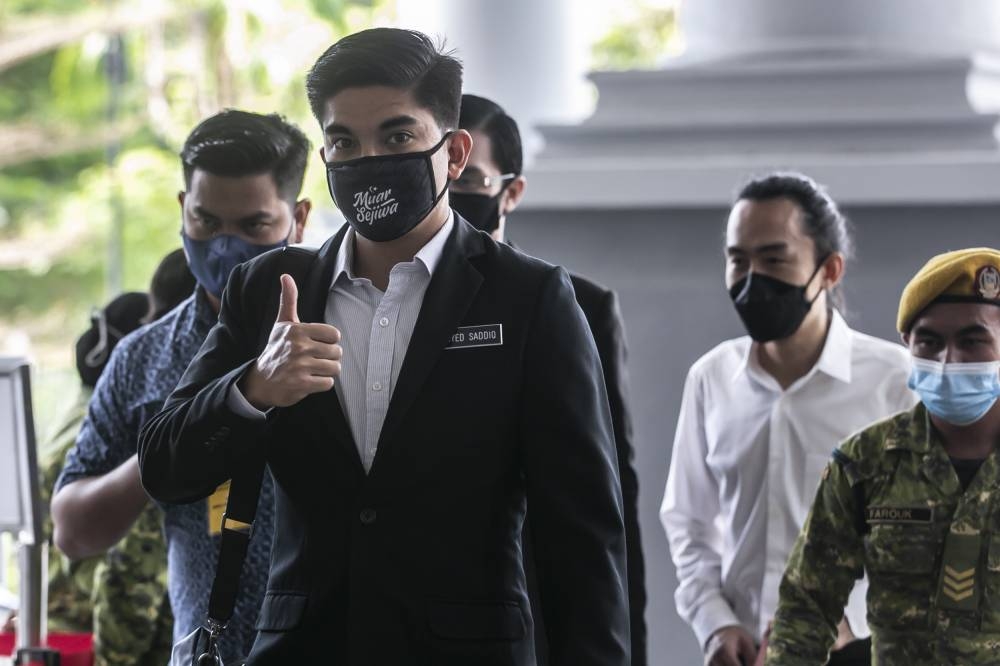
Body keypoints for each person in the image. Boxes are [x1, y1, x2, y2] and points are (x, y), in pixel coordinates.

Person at [138, 27, 630, 665]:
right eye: (344, 141)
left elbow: (583, 538)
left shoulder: (528, 298)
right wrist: (254, 389)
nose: (368, 159)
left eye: (396, 136)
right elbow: (164, 469)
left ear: (453, 154)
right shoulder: (268, 289)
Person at [51, 110, 311, 662]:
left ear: (299, 217)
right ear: (182, 210)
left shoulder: (342, 332)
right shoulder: (144, 357)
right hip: (203, 650)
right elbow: (72, 529)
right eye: (207, 222)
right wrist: (175, 445)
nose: (225, 245)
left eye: (253, 226)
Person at [660, 173, 916, 666]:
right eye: (738, 260)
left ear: (830, 270)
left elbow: (920, 536)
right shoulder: (711, 378)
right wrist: (715, 623)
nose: (752, 277)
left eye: (774, 259)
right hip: (741, 653)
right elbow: (689, 524)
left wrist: (843, 619)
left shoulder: (896, 382)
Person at [450, 92, 647, 666]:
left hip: (530, 609)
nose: (452, 197)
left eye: (471, 182)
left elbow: (609, 502)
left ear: (511, 191)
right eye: (443, 177)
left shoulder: (573, 305)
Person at [766, 247, 1000, 664]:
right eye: (930, 341)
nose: (949, 361)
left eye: (972, 340)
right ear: (907, 344)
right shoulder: (864, 464)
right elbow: (806, 608)